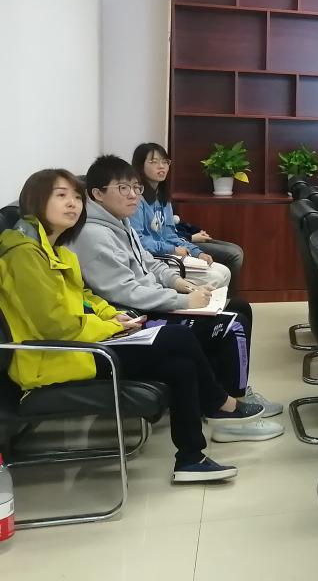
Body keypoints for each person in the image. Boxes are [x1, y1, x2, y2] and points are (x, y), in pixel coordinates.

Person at [0, 170, 269, 482]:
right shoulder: (25, 255)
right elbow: (56, 325)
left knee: (180, 365)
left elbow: (84, 296)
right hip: (57, 357)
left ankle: (190, 459)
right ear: (36, 200)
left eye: (75, 196)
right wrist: (109, 328)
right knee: (178, 337)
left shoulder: (54, 249)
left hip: (83, 344)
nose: (73, 203)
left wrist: (111, 317)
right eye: (61, 195)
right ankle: (220, 403)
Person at [68, 156, 283, 439]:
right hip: (133, 317)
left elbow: (149, 263)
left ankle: (234, 395)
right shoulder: (94, 235)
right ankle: (229, 414)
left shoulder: (120, 223)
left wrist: (181, 284)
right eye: (123, 188)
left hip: (150, 303)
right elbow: (125, 292)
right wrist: (181, 302)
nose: (133, 195)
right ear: (97, 193)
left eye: (135, 188)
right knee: (232, 325)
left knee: (239, 307)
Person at [130, 143, 232, 290]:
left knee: (225, 272)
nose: (161, 166)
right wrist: (171, 249)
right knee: (216, 277)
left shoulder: (163, 198)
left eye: (165, 162)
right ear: (140, 166)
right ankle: (195, 303)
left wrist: (197, 252)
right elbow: (138, 241)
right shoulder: (135, 199)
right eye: (154, 162)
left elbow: (170, 235)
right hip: (153, 260)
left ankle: (210, 303)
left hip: (170, 256)